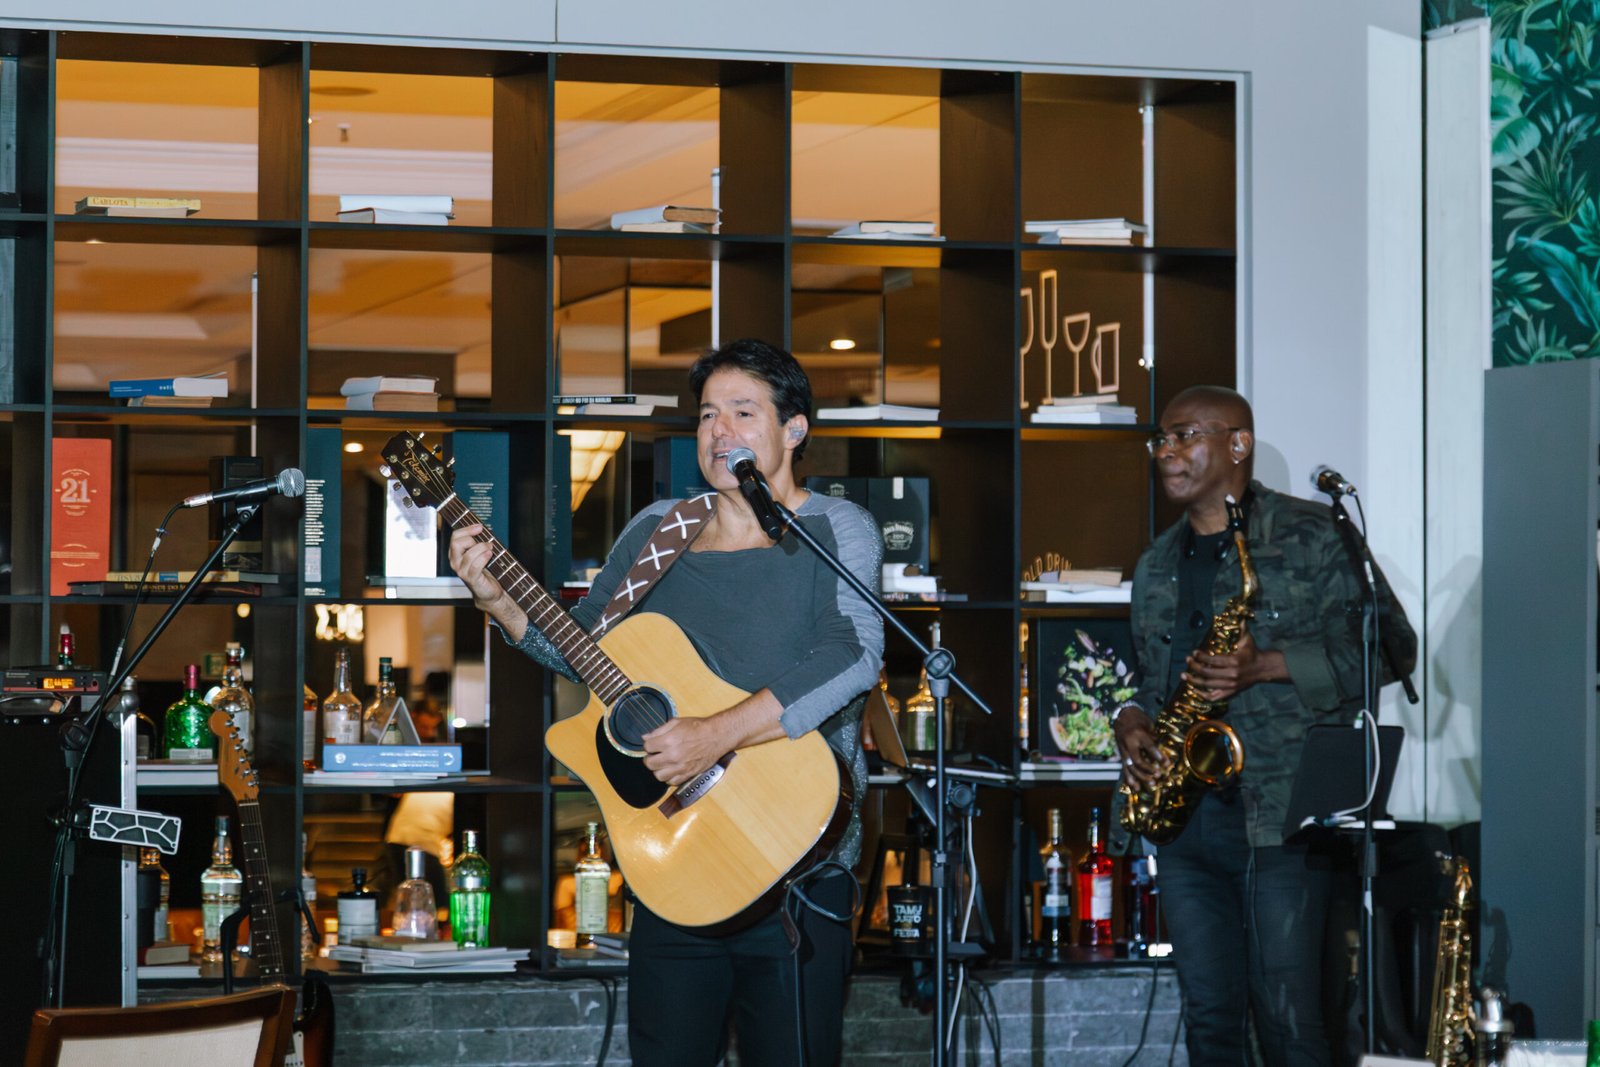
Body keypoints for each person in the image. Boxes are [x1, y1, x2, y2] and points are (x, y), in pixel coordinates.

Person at [448, 337, 884, 1067]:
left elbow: (855, 653)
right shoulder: (659, 531)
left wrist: (717, 734)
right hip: (675, 868)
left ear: (794, 429)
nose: (720, 431)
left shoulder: (836, 529)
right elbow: (583, 647)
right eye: (708, 414)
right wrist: (499, 602)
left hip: (798, 867)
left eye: (743, 412)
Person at [1110, 385, 1416, 1067]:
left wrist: (1268, 666)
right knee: (1210, 1021)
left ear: (1238, 444)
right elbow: (1152, 681)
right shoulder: (1156, 563)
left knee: (1288, 1021)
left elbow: (1394, 651)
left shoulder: (1314, 534)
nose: (1167, 451)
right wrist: (1130, 718)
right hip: (1186, 824)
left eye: (1186, 435)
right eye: (1161, 439)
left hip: (1282, 819)